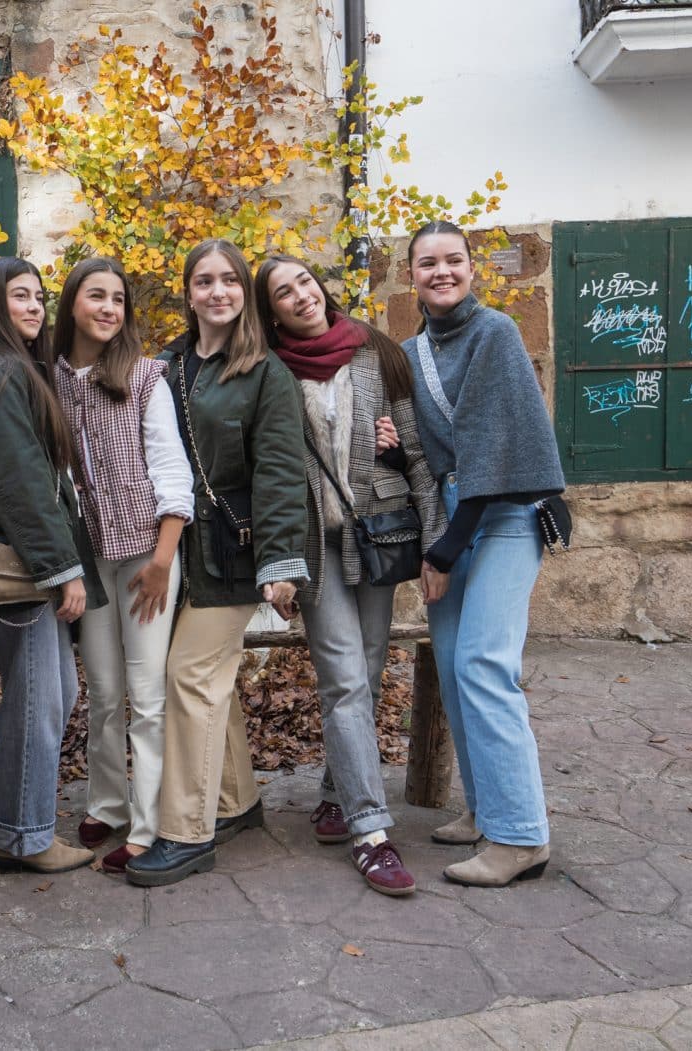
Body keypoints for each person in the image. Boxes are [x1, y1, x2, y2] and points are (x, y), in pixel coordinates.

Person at [253, 254, 446, 897]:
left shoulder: (377, 351)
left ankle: (336, 794)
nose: (301, 296)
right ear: (272, 310)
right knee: (342, 677)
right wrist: (274, 563)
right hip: (315, 548)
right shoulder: (269, 371)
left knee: (364, 671)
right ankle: (371, 832)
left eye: (305, 281)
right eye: (284, 292)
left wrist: (435, 542)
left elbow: (415, 451)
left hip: (380, 535)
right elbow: (271, 474)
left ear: (320, 286)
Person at [125, 240, 309, 888]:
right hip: (179, 550)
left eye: (230, 279)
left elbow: (282, 473)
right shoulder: (170, 364)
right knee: (209, 681)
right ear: (189, 290)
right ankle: (234, 800)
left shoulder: (266, 372)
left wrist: (281, 561)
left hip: (236, 549)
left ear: (243, 290)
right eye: (204, 280)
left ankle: (186, 830)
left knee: (190, 676)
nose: (218, 291)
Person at [402, 220, 566, 888]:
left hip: (503, 517)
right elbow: (435, 452)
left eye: (453, 260)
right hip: (453, 515)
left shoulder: (494, 332)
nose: (441, 272)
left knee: (483, 662)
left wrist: (439, 553)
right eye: (426, 262)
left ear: (473, 268)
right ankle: (484, 807)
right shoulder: (414, 352)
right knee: (451, 662)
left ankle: (521, 834)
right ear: (411, 273)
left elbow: (491, 456)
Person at [0, 257, 109, 874]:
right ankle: (27, 835)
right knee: (43, 697)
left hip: (28, 561)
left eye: (39, 296)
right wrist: (60, 569)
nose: (36, 307)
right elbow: (20, 484)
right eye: (20, 297)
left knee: (47, 692)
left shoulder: (16, 370)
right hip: (17, 566)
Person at [50, 257, 194, 874]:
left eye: (118, 299)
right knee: (103, 693)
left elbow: (171, 470)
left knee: (147, 693)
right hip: (88, 563)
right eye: (96, 296)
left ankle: (147, 820)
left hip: (143, 558)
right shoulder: (48, 379)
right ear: (72, 305)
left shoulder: (142, 378)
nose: (109, 308)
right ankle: (106, 805)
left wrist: (163, 560)